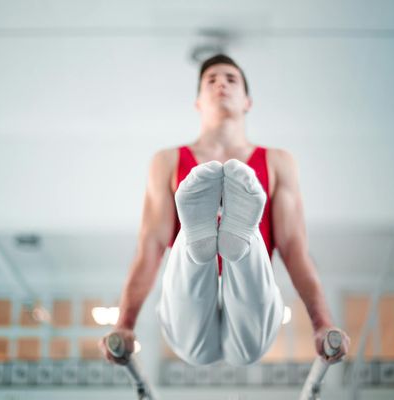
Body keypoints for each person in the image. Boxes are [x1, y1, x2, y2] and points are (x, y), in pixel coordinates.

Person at [99, 54, 350, 366]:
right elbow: (149, 248)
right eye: (211, 80)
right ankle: (204, 244)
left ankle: (239, 243)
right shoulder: (167, 161)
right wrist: (124, 323)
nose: (221, 83)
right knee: (243, 349)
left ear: (247, 101)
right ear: (198, 102)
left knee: (203, 350)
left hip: (244, 295)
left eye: (231, 79)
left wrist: (322, 323)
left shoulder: (277, 161)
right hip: (203, 296)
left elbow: (295, 250)